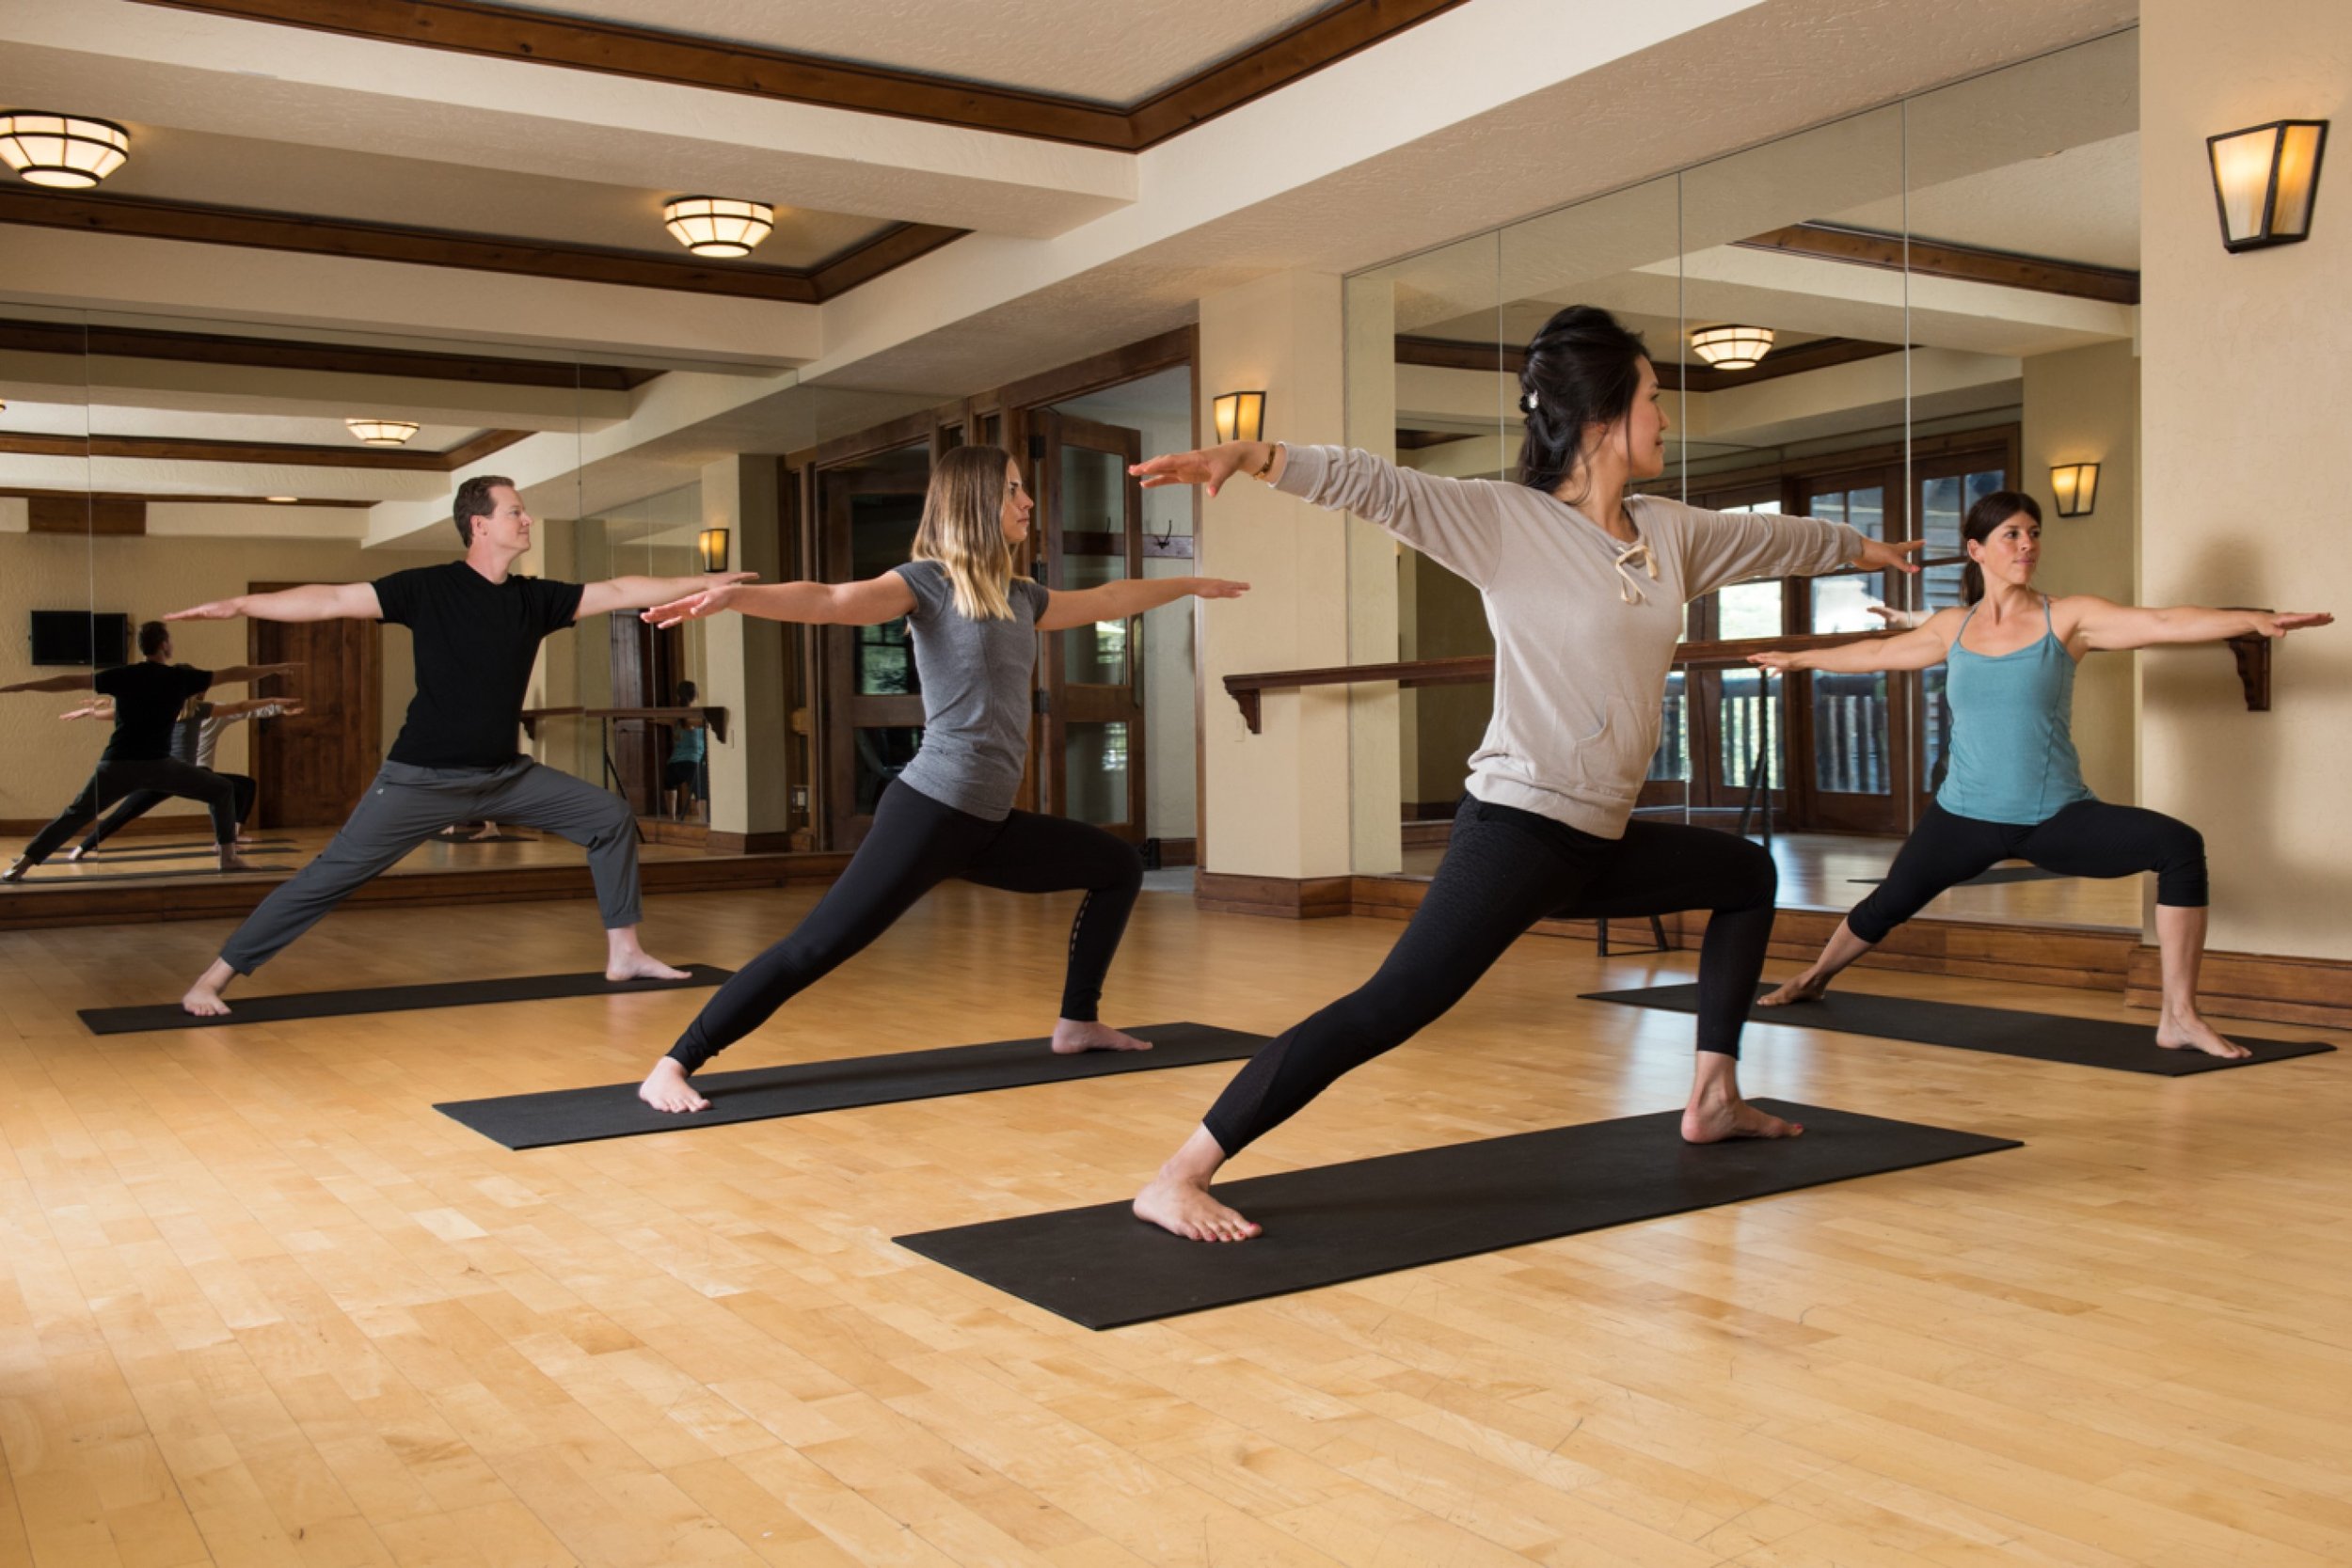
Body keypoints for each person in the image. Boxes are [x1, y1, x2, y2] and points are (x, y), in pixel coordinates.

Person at [1125, 305, 1926, 1243]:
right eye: (1655, 399)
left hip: (1596, 838)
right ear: (1601, 415)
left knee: (1743, 874)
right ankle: (1179, 1172)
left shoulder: (1669, 533)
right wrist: (1257, 456)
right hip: (1516, 829)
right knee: (1391, 1006)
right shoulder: (1505, 523)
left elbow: (1770, 540)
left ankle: (1712, 1094)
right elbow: (1377, 486)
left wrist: (1859, 546)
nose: (1666, 420)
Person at [634, 443, 1249, 1114]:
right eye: (1014, 489)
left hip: (986, 821)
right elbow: (835, 599)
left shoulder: (1021, 596)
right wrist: (735, 599)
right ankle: (674, 1062)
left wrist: (1186, 585)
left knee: (1115, 866)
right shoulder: (926, 583)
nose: (1027, 502)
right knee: (818, 945)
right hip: (931, 810)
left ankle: (1078, 1022)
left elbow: (1105, 596)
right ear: (975, 501)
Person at [1748, 491, 2330, 1057]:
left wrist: (2255, 620)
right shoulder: (1954, 627)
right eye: (2012, 535)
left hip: (2053, 817)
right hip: (1964, 816)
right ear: (1977, 550)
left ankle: (2179, 1015)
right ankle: (1816, 976)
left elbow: (2163, 620)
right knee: (1888, 904)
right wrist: (1799, 659)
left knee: (2178, 846)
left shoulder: (2069, 619)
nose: (2027, 545)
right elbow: (1877, 655)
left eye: (2033, 533)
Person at [162, 473, 753, 1016]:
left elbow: (621, 587)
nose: (526, 521)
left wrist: (707, 582)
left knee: (607, 815)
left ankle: (623, 952)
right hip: (422, 777)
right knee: (328, 877)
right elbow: (333, 599)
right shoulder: (427, 589)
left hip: (504, 775)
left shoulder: (534, 599)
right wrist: (241, 605)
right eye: (516, 512)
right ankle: (211, 979)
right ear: (480, 524)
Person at [2, 624, 297, 880]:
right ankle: (229, 858)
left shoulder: (123, 674)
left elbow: (69, 681)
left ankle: (22, 865)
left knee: (75, 814)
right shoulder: (179, 679)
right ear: (165, 645)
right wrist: (271, 668)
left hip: (116, 763)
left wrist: (25, 686)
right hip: (157, 765)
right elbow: (232, 674)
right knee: (221, 790)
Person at [63, 692, 307, 858]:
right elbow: (243, 709)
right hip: (184, 773)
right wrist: (278, 706)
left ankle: (81, 849)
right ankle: (227, 844)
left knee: (125, 812)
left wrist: (93, 710)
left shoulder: (177, 711)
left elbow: (245, 710)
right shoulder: (204, 711)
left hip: (163, 773)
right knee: (221, 791)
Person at [664, 679, 707, 820]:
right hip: (693, 763)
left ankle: (672, 817)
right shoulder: (698, 716)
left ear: (678, 697)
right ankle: (705, 820)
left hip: (674, 764)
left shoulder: (675, 717)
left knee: (669, 785)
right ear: (696, 696)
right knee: (701, 793)